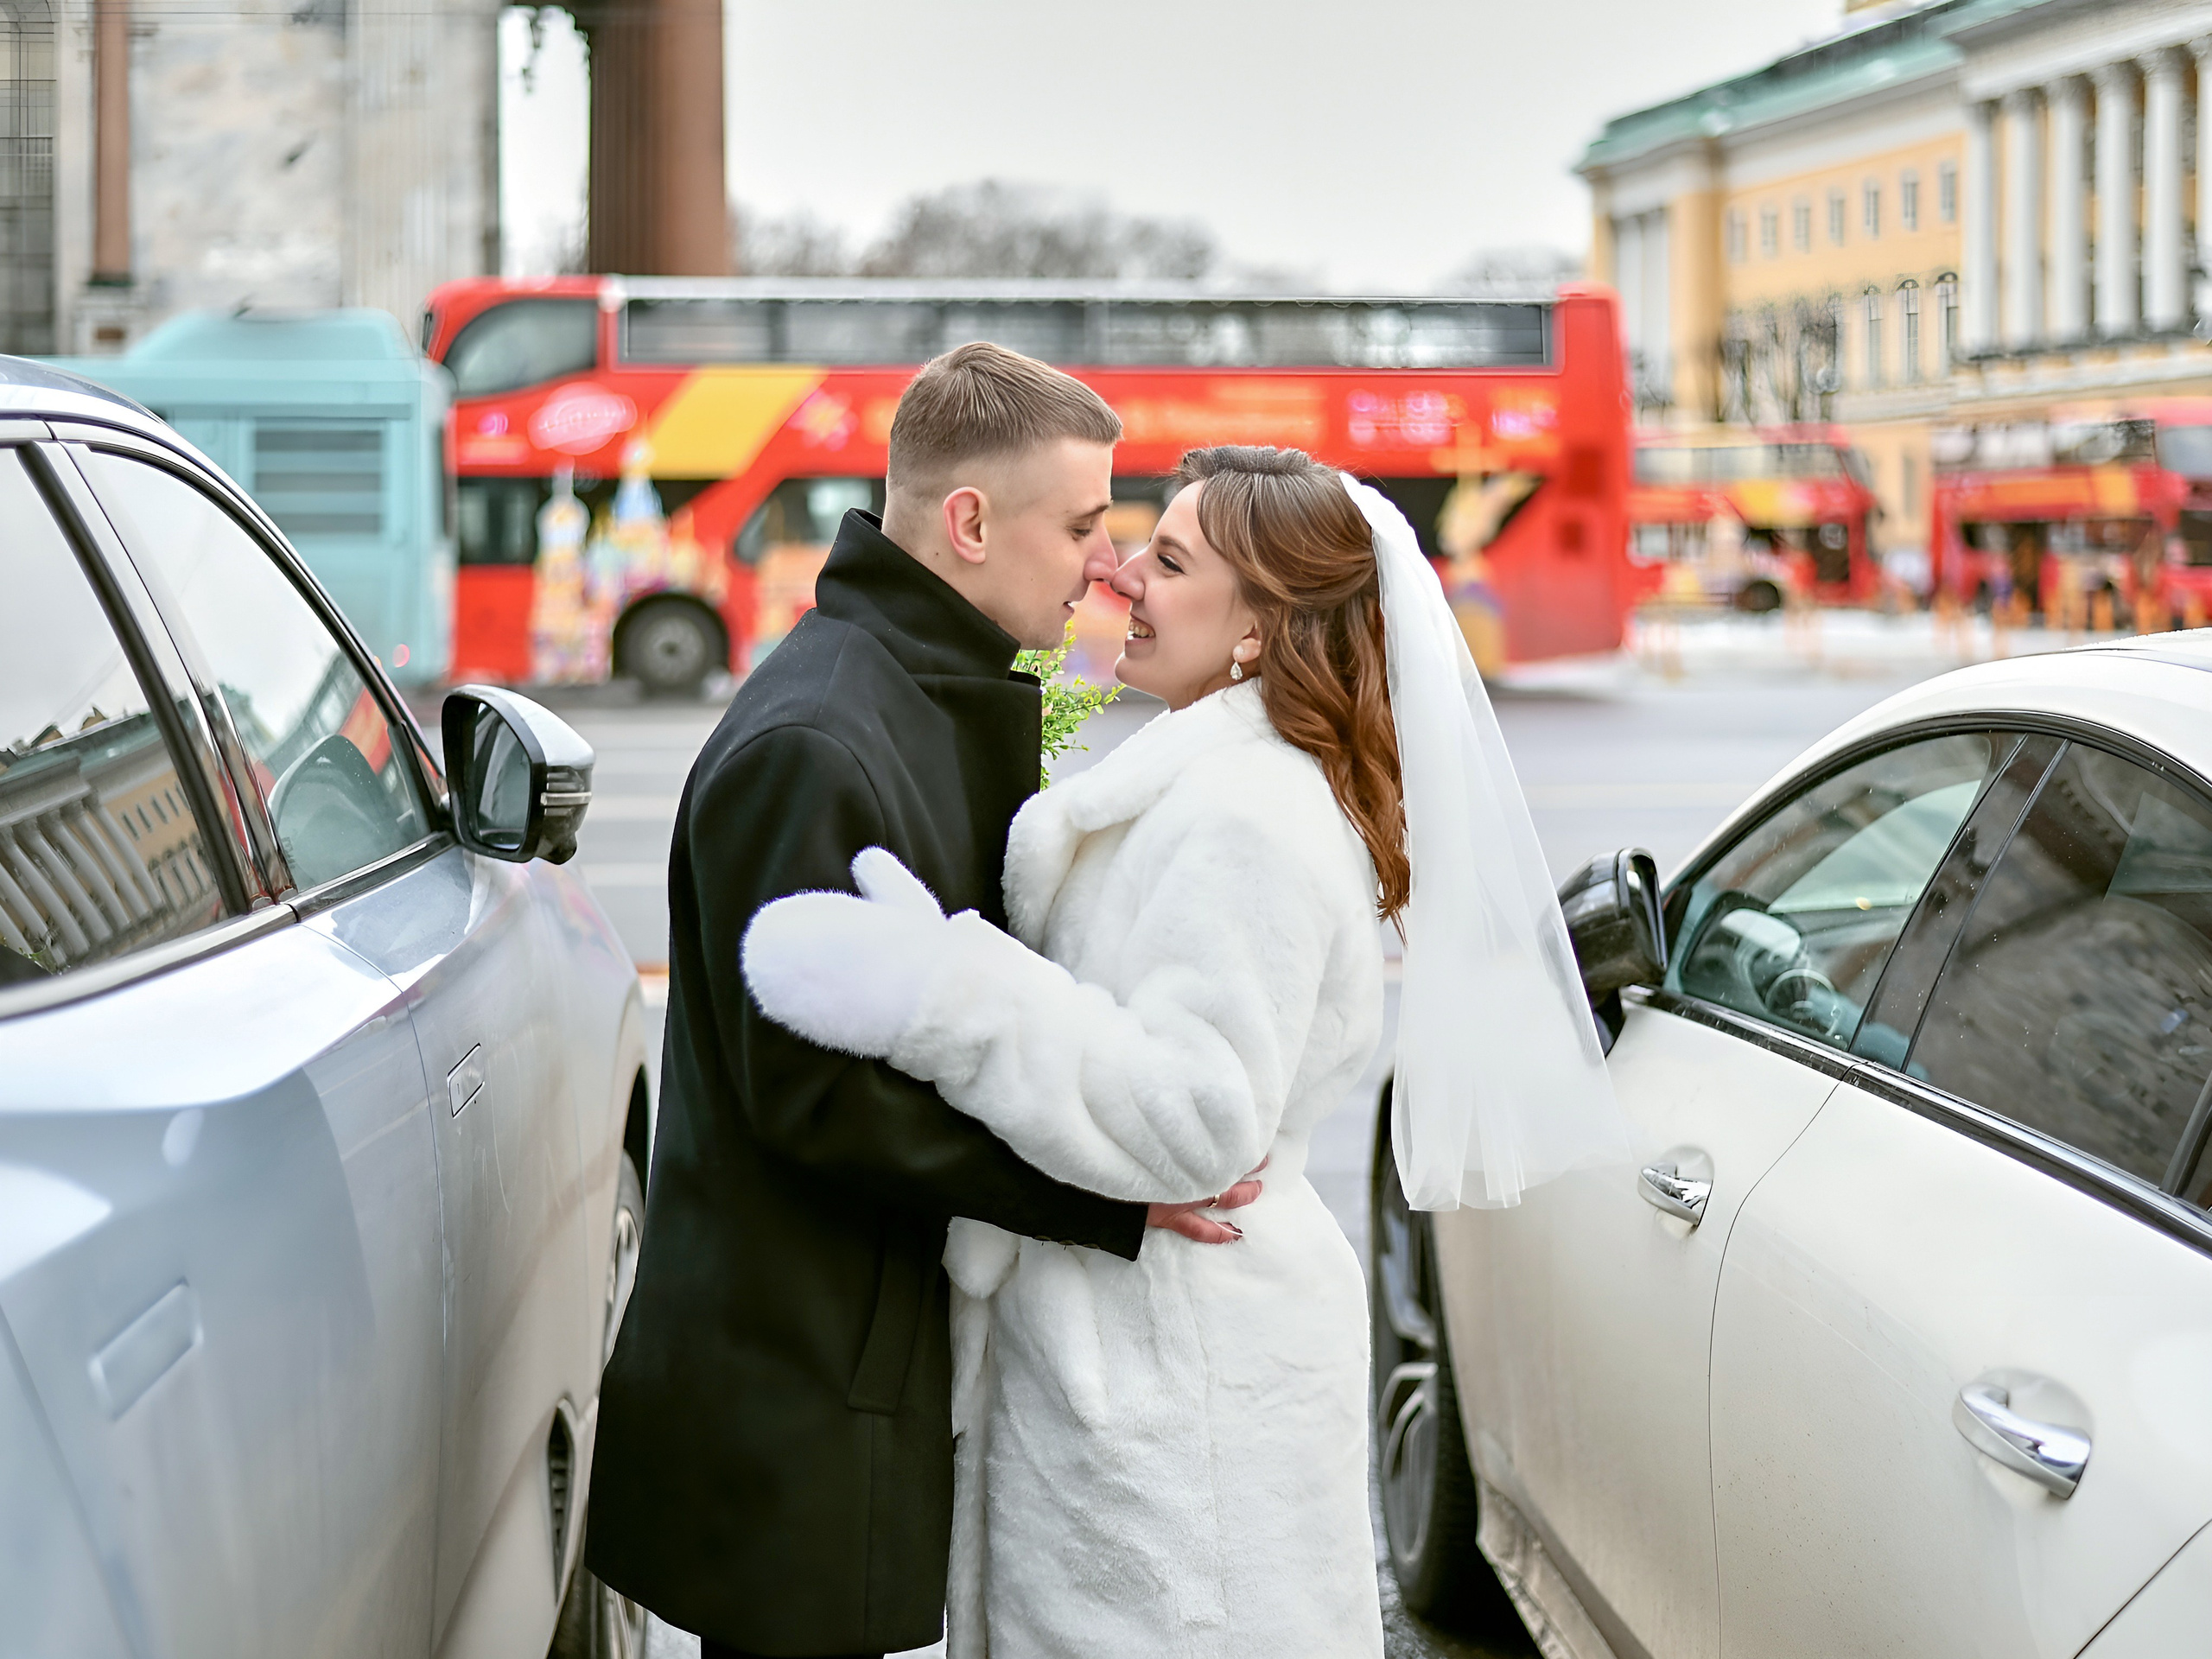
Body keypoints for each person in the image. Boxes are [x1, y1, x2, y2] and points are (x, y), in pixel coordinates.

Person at [744, 447, 1624, 1656]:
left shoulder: (1243, 817)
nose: (1122, 578)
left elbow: (1198, 1112)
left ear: (1257, 629)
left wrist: (949, 990)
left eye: (1168, 561)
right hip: (1145, 1358)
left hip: (1174, 1384)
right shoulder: (1207, 784)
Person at [588, 344, 1260, 1659]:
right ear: (968, 524)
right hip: (798, 1380)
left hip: (850, 1358)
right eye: (1078, 524)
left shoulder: (916, 690)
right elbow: (816, 1099)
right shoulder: (822, 740)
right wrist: (1097, 1192)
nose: (1100, 564)